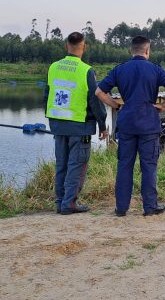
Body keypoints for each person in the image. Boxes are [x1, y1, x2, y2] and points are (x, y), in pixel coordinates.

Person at [96, 36, 165, 217]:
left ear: (131, 50)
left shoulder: (120, 70)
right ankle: (150, 207)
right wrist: (164, 105)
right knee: (149, 166)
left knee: (124, 165)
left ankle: (121, 208)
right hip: (149, 124)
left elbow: (99, 92)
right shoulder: (155, 69)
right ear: (147, 51)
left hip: (127, 122)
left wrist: (115, 105)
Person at [44, 32, 108, 215]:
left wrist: (51, 118)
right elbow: (95, 100)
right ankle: (69, 203)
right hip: (79, 126)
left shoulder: (53, 67)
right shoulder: (86, 70)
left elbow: (47, 95)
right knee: (76, 165)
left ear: (66, 46)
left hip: (58, 124)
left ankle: (60, 202)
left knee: (61, 164)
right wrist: (102, 125)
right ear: (84, 46)